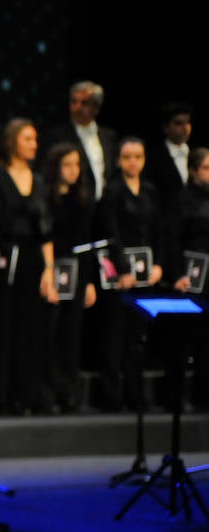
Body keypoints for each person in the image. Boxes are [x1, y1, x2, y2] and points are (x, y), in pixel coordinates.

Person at [0, 118, 57, 416]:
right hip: (6, 258)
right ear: (13, 142)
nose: (34, 145)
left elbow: (46, 231)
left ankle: (26, 395)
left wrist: (49, 270)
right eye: (28, 139)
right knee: (2, 329)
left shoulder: (39, 181)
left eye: (35, 139)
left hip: (33, 260)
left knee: (31, 330)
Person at [92, 136, 164, 413]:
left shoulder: (150, 191)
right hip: (121, 275)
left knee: (137, 337)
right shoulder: (112, 191)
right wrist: (123, 269)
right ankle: (111, 395)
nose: (133, 162)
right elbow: (111, 234)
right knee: (114, 336)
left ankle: (136, 392)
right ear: (119, 161)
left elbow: (158, 231)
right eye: (127, 157)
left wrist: (158, 264)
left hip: (146, 274)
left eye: (138, 157)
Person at [44, 141, 99, 414]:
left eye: (77, 164)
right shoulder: (46, 197)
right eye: (67, 165)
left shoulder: (83, 200)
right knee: (51, 333)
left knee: (72, 334)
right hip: (52, 268)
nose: (73, 170)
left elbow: (86, 242)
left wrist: (89, 281)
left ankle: (72, 394)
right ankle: (51, 392)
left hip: (77, 270)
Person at [168, 147, 209, 409]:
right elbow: (171, 241)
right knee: (182, 341)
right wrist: (177, 274)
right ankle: (175, 397)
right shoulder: (181, 200)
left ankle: (203, 397)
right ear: (193, 170)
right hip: (190, 278)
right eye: (206, 167)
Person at [43, 80, 118, 203]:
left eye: (84, 103)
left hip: (104, 207)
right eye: (74, 102)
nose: (77, 107)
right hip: (73, 205)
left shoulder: (109, 137)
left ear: (96, 107)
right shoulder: (57, 136)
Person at [144, 101, 193, 201]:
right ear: (166, 128)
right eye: (178, 123)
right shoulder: (154, 158)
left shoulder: (195, 154)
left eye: (188, 122)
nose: (185, 128)